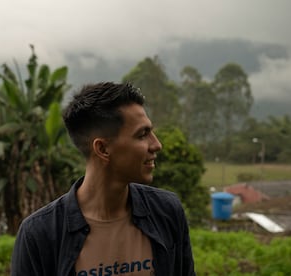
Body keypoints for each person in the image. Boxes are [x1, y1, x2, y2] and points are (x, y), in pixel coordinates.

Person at [11, 82, 195, 276]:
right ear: (103, 149)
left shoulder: (166, 212)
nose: (157, 144)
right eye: (142, 135)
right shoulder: (40, 234)